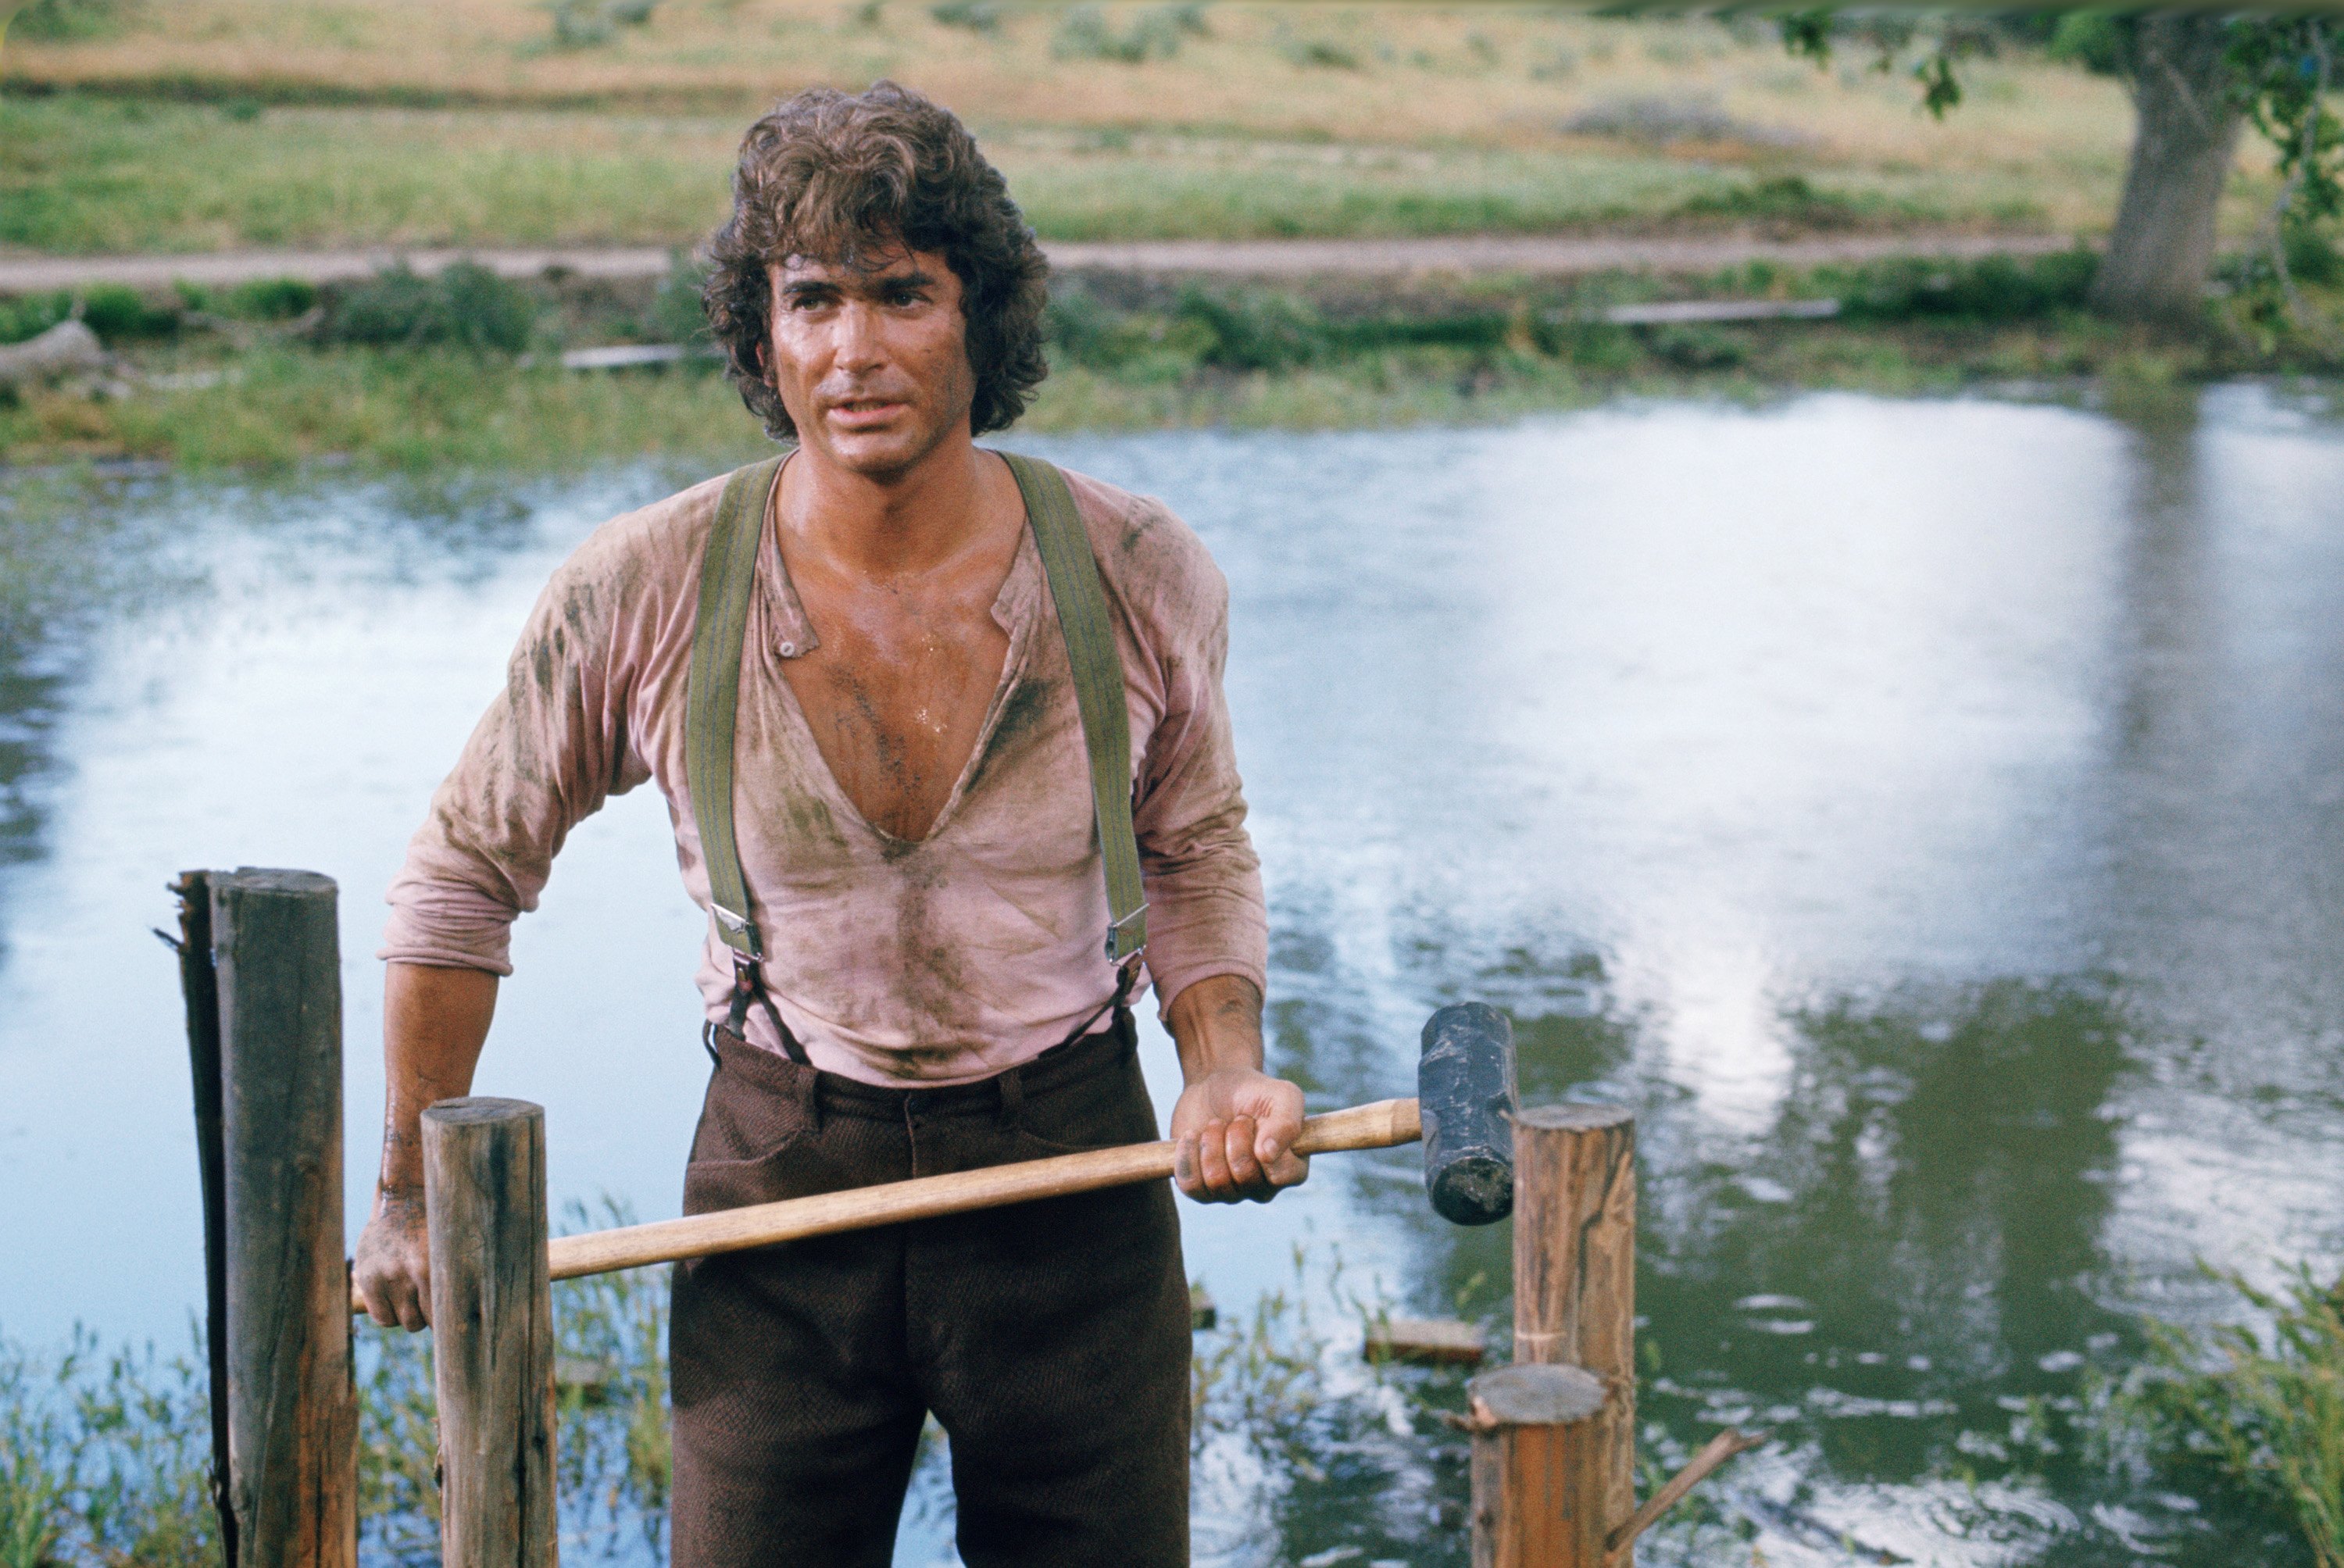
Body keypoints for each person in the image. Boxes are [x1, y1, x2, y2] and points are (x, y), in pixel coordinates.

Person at [351, 80, 1305, 1566]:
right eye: (812, 301)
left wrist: (1227, 1071)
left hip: (1069, 1170)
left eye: (902, 295)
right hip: (783, 1171)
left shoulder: (1134, 566)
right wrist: (408, 1193)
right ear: (762, 336)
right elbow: (461, 881)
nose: (855, 351)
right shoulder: (647, 585)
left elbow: (1195, 845)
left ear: (980, 320)